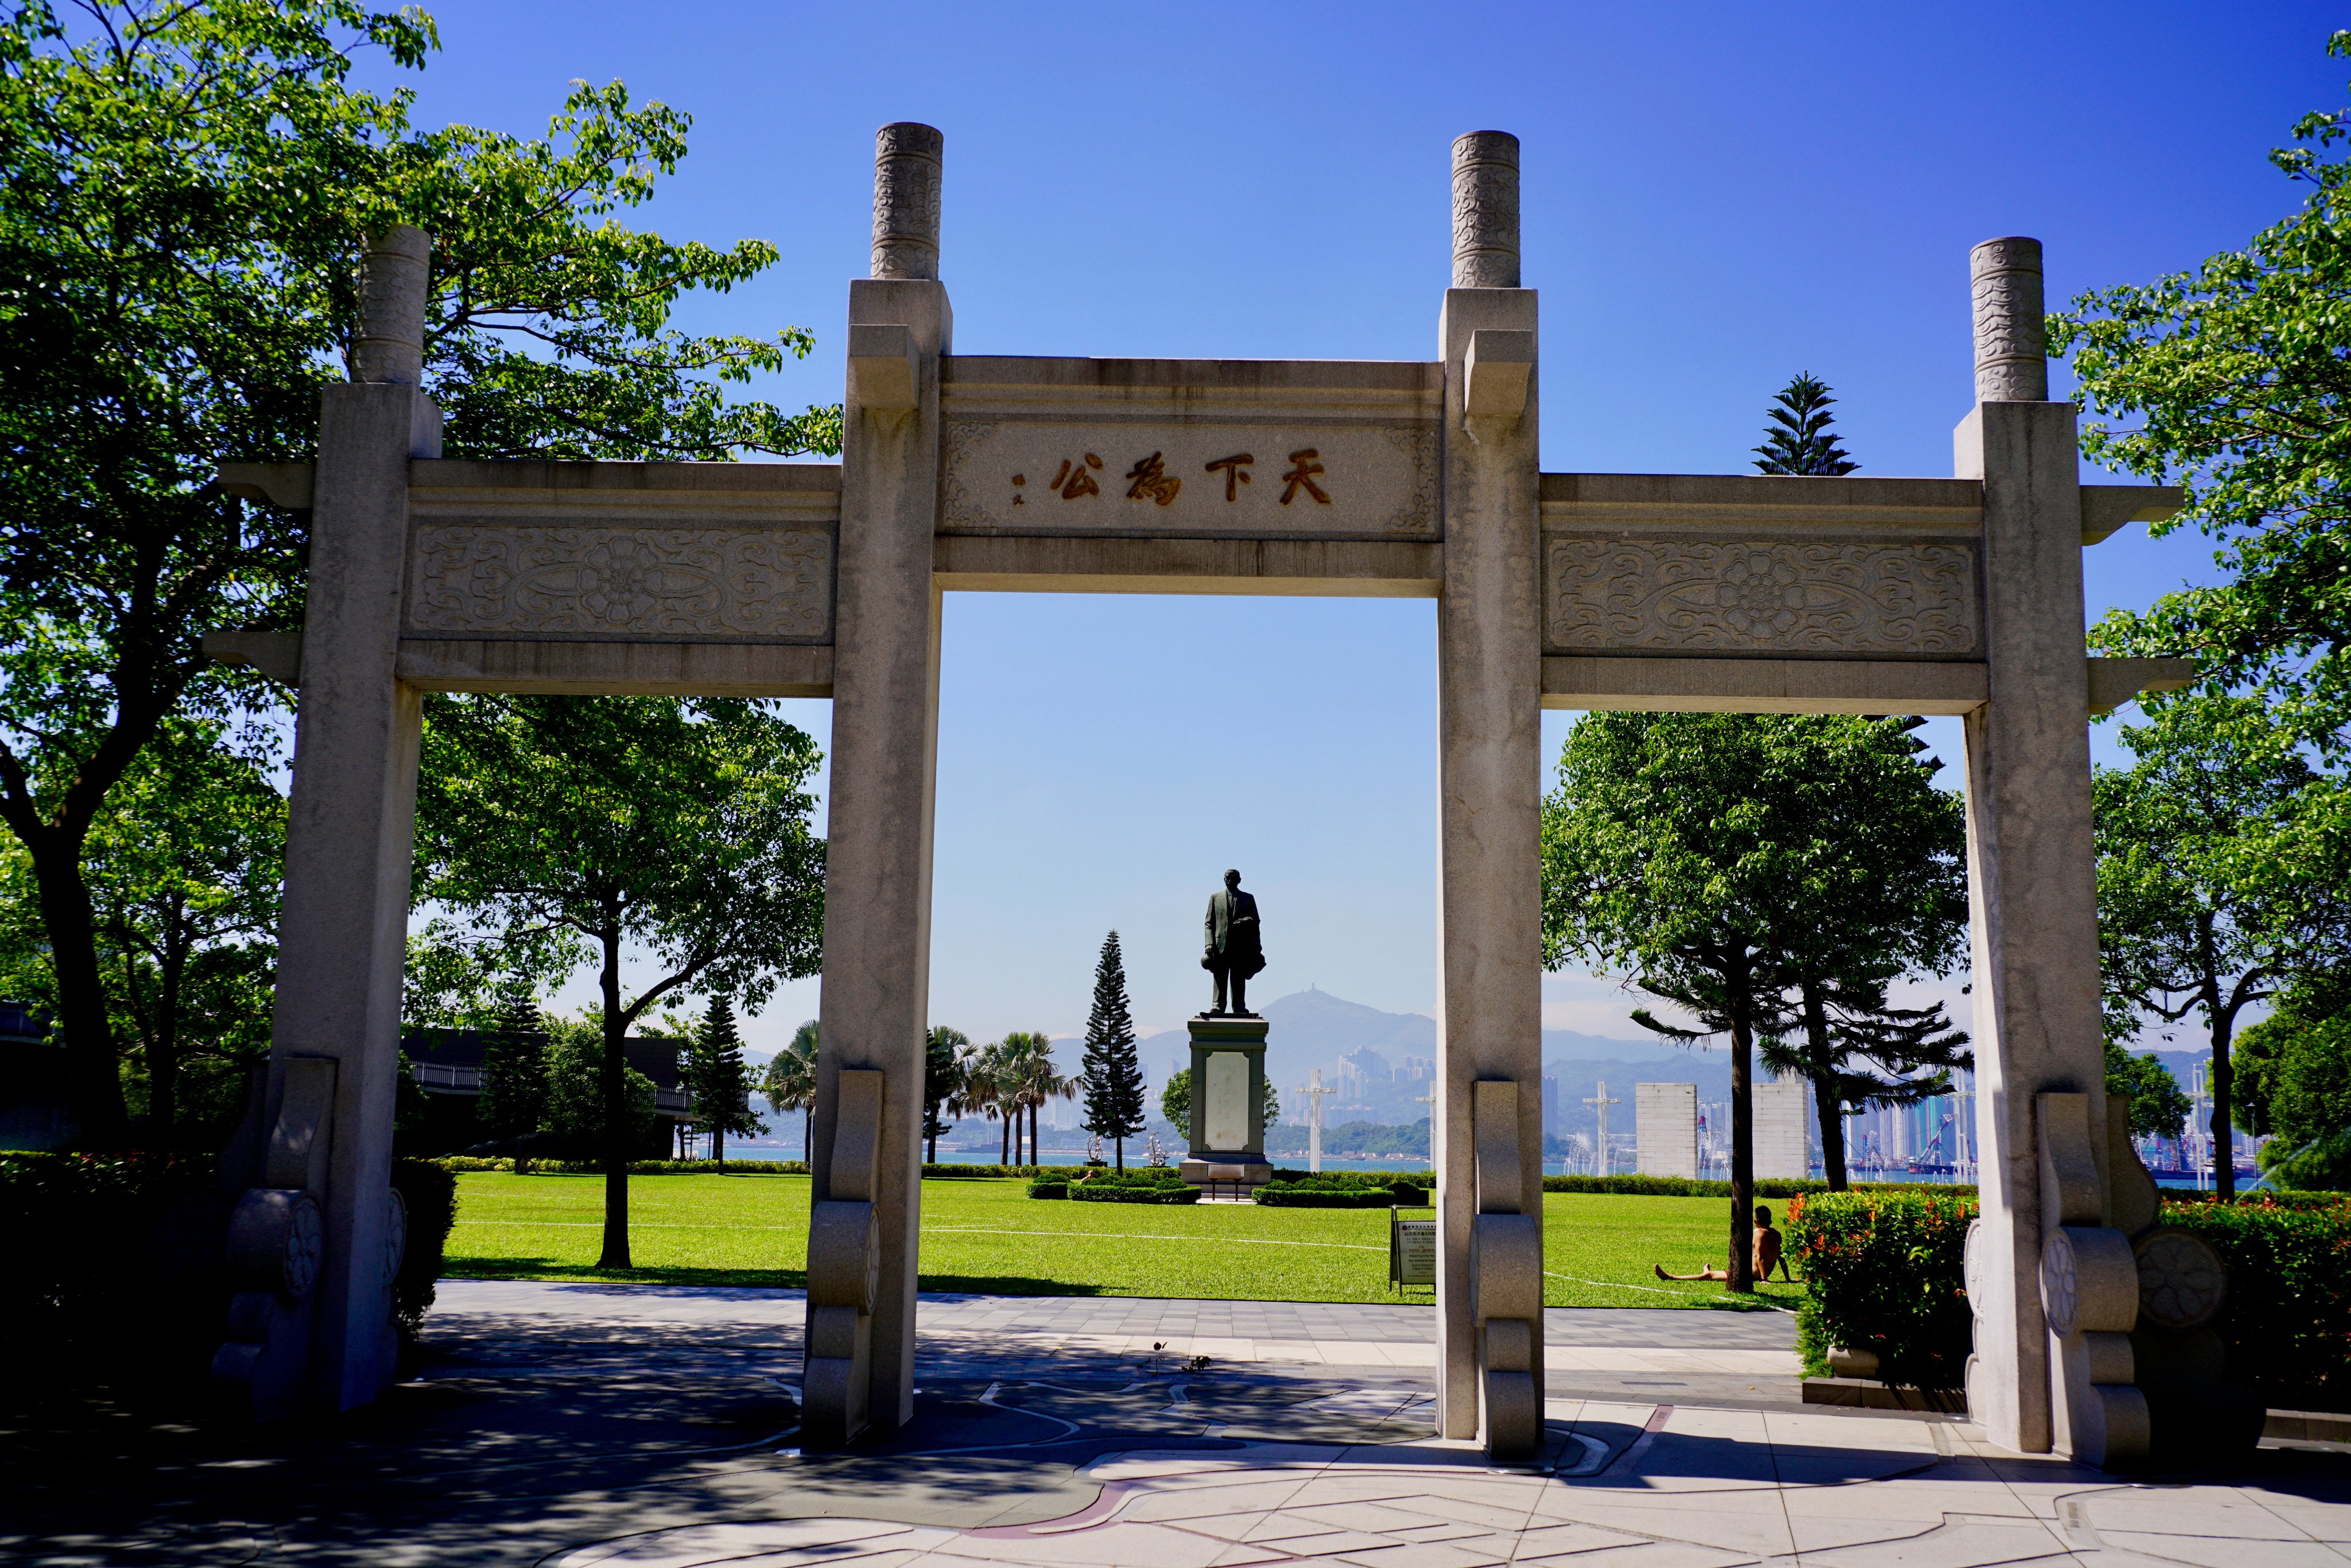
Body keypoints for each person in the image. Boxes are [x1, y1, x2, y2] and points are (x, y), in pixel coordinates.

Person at [1652, 1204, 1795, 1284]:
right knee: (1712, 1275)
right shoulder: (1776, 1233)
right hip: (1753, 1273)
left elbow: (1760, 1257)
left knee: (1707, 1277)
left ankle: (1670, 1277)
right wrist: (1787, 1278)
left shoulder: (1759, 1233)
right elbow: (1781, 1256)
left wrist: (1764, 1279)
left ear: (1756, 1221)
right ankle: (1706, 1271)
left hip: (1751, 1275)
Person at [1200, 868, 1264, 1016]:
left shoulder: (1248, 898)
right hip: (1220, 946)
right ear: (1224, 880)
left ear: (1239, 880)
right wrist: (1209, 944)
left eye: (1233, 878)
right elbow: (1209, 923)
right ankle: (1217, 1006)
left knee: (1238, 978)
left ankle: (1239, 1007)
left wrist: (1245, 921)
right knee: (1219, 976)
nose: (1230, 880)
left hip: (1240, 946)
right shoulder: (1215, 898)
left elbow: (1256, 920)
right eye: (1228, 878)